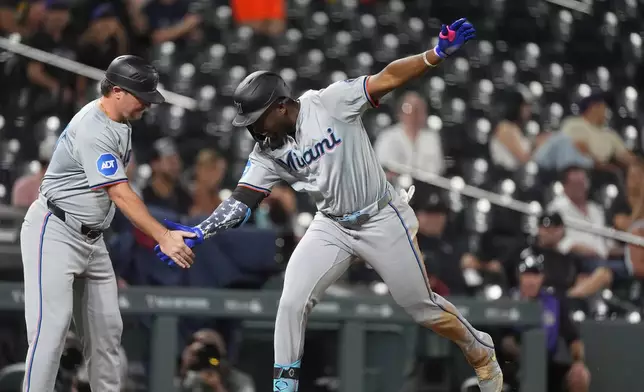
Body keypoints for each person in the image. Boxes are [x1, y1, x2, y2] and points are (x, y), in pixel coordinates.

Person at [154, 19, 503, 392]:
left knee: (421, 307)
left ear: (283, 106)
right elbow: (242, 201)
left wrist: (434, 56)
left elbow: (387, 78)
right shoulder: (267, 151)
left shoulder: (330, 102)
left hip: (381, 217)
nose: (254, 130)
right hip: (332, 225)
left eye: (258, 120)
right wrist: (201, 230)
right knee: (291, 301)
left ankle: (480, 351)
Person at [19, 55, 196, 392]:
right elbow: (120, 192)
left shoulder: (122, 123)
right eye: (141, 96)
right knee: (50, 332)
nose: (147, 104)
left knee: (107, 334)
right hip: (54, 230)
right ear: (117, 91)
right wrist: (163, 235)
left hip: (91, 239)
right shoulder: (93, 127)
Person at [500, 253, 591, 392]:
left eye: (535, 275)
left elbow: (573, 338)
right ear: (519, 276)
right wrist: (522, 354)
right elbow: (501, 340)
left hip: (546, 364)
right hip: (513, 365)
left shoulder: (553, 302)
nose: (531, 281)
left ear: (542, 277)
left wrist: (578, 362)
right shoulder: (507, 301)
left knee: (579, 376)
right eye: (527, 275)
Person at [374, 91, 444, 181]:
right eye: (411, 110)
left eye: (419, 110)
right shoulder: (388, 137)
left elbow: (436, 169)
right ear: (401, 112)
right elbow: (384, 168)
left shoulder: (432, 138)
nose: (415, 115)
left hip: (425, 188)